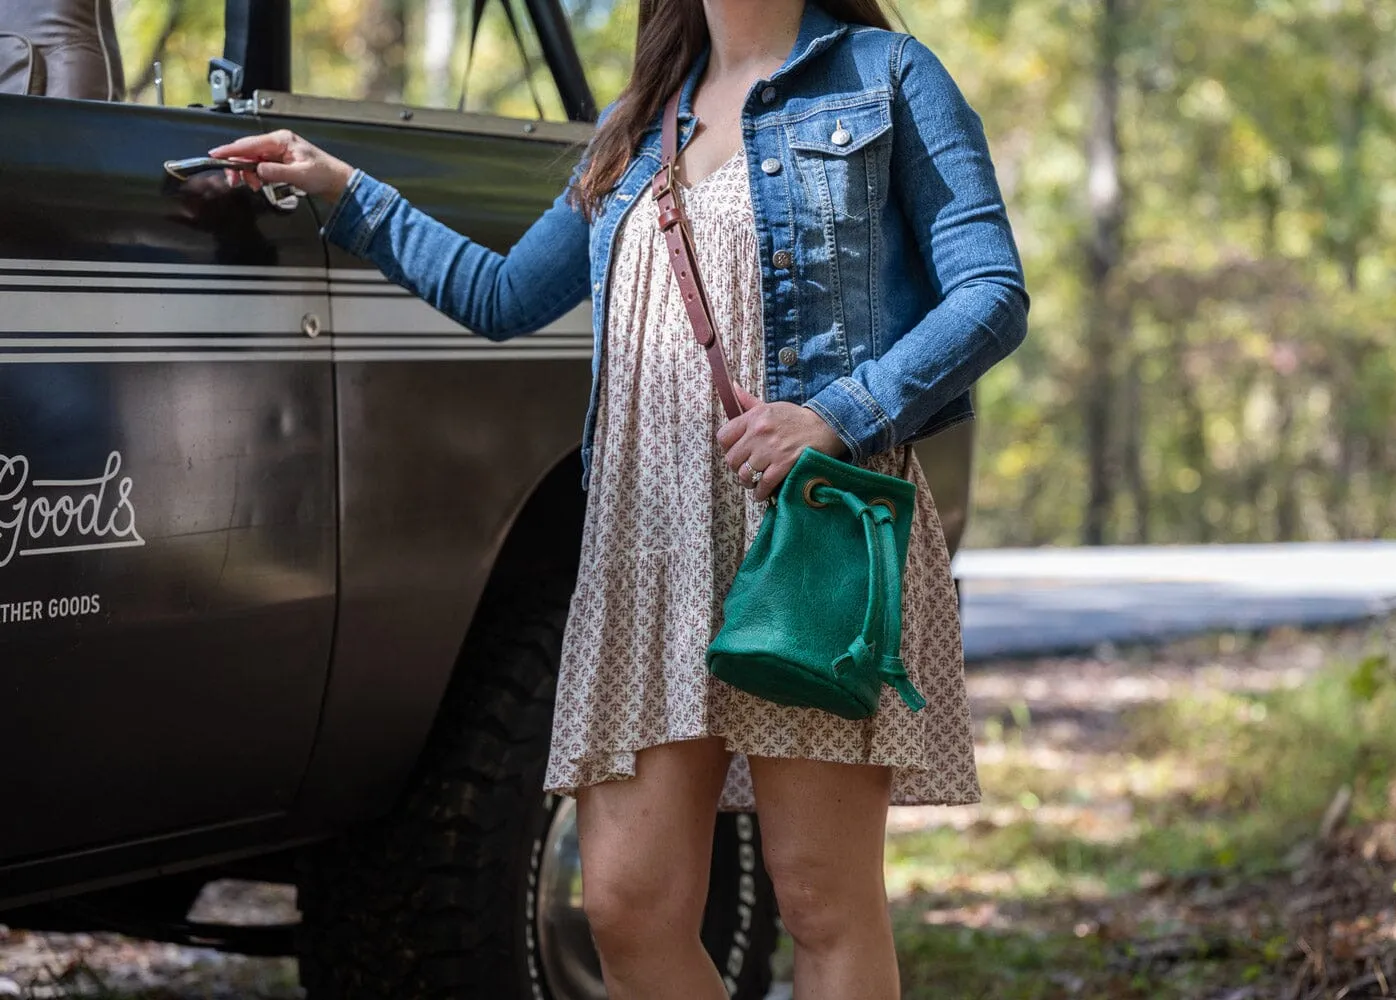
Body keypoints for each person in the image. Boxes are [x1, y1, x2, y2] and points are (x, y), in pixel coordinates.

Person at [213, 1, 1027, 996]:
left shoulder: (887, 75)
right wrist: (341, 189)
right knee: (626, 907)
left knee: (821, 900)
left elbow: (990, 291)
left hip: (800, 532)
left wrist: (837, 412)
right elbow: (503, 293)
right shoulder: (641, 119)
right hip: (642, 549)